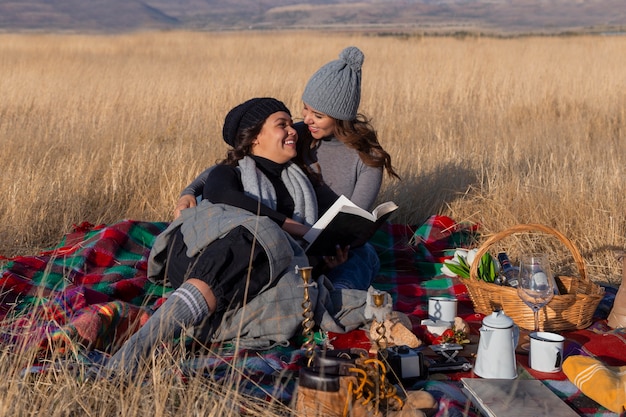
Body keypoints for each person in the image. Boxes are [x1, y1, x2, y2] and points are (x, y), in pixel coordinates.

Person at [102, 97, 320, 375]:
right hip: (199, 250)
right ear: (254, 138)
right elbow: (223, 196)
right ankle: (135, 352)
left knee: (295, 288)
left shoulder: (300, 183)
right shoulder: (227, 172)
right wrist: (292, 226)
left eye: (292, 124)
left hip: (251, 267)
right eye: (283, 125)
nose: (293, 131)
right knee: (264, 232)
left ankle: (199, 325)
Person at [174, 46, 400, 290]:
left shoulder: (367, 159)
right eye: (305, 108)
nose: (307, 118)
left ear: (340, 117)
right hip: (289, 233)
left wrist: (333, 246)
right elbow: (234, 165)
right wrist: (189, 190)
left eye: (318, 114)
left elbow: (353, 221)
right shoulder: (298, 134)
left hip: (330, 243)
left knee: (360, 258)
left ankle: (339, 299)